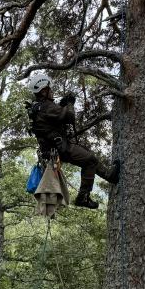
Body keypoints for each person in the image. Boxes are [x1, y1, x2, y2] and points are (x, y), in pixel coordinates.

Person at [25, 72, 120, 209]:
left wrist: (62, 105)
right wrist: (69, 104)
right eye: (50, 89)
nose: (52, 92)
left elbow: (54, 119)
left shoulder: (39, 107)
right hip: (60, 148)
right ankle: (83, 197)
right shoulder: (46, 106)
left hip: (56, 148)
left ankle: (109, 176)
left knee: (89, 158)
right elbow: (69, 117)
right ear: (44, 91)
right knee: (89, 159)